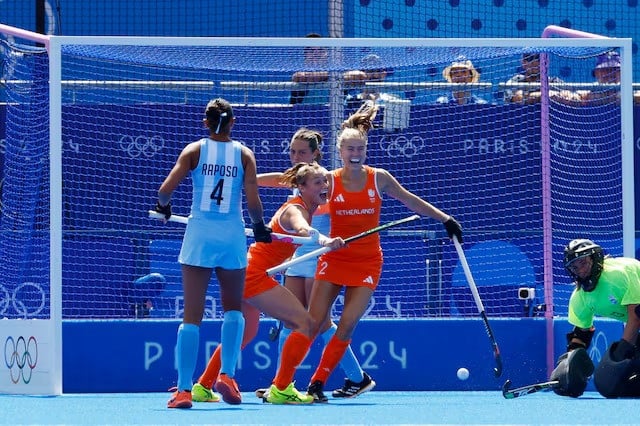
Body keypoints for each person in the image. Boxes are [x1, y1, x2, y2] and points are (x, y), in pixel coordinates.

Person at [278, 101, 463, 401]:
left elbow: (410, 200)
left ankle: (317, 384)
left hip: (366, 262)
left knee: (347, 324)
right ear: (340, 152)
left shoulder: (379, 178)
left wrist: (445, 218)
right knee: (312, 322)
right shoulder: (330, 181)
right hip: (334, 258)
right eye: (349, 149)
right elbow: (299, 199)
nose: (355, 154)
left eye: (359, 149)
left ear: (365, 150)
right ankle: (282, 385)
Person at [192, 129, 371, 403]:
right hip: (256, 272)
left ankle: (203, 386)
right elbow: (302, 226)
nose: (324, 186)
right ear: (303, 185)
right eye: (317, 183)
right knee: (304, 322)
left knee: (250, 330)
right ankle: (282, 387)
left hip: (252, 269)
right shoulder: (297, 207)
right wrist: (322, 238)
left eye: (324, 182)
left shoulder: (319, 188)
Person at [155, 98, 273, 409]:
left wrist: (164, 208)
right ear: (233, 122)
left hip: (200, 235)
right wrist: (259, 228)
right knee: (233, 308)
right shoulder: (244, 154)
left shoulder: (194, 151)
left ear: (205, 122)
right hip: (231, 235)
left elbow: (165, 190)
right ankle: (228, 375)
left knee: (191, 316)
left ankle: (183, 390)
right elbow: (252, 202)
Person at [550, 238, 640, 398]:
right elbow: (582, 334)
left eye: (583, 263)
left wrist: (620, 353)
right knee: (623, 385)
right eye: (574, 267)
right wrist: (568, 365)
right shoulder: (579, 298)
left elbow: (636, 317)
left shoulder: (618, 275)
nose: (580, 270)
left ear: (594, 258)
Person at [503, 53, 580, 105]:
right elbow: (517, 98)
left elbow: (573, 97)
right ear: (523, 62)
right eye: (530, 59)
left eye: (539, 59)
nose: (535, 62)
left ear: (546, 62)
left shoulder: (554, 81)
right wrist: (548, 95)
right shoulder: (515, 81)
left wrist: (567, 96)